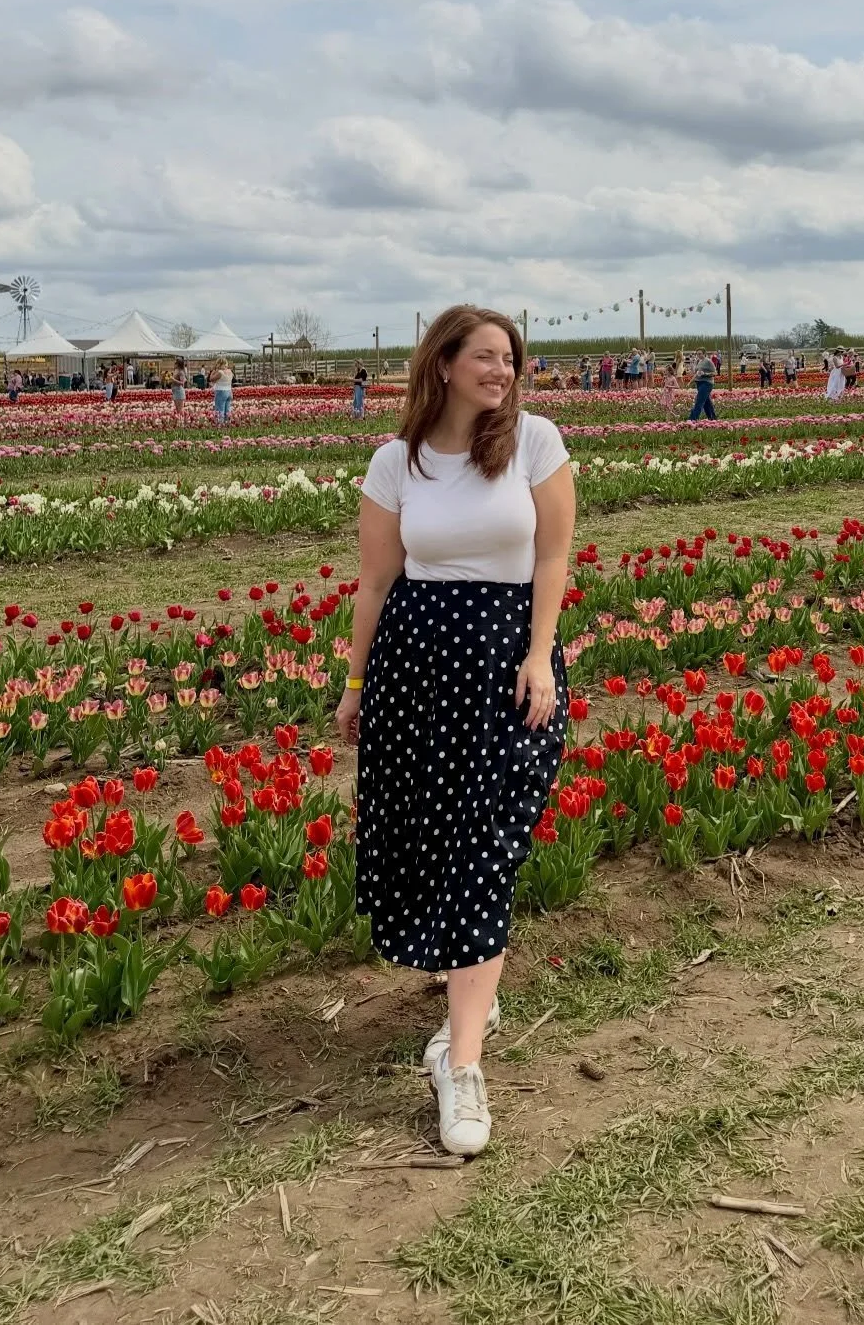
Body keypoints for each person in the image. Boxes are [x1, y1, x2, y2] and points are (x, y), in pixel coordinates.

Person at [338, 305, 573, 1158]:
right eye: (486, 357)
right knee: (434, 840)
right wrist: (356, 683)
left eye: (510, 359)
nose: (502, 371)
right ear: (442, 364)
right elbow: (374, 582)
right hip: (417, 669)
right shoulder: (395, 462)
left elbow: (552, 556)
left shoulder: (536, 443)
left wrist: (542, 655)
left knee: (487, 841)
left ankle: (461, 1063)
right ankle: (473, 992)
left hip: (506, 662)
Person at [690, 353, 717, 421]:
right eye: (697, 354)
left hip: (707, 383)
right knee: (706, 402)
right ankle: (712, 418)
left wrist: (705, 374)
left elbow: (715, 373)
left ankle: (692, 419)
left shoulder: (708, 361)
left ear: (704, 354)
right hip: (699, 383)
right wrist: (691, 381)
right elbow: (697, 373)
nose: (699, 355)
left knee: (699, 401)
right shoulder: (699, 362)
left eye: (700, 354)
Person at [209, 357, 234, 425]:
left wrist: (213, 371)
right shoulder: (230, 371)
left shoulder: (220, 372)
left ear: (219, 364)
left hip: (221, 391)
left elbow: (211, 379)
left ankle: (220, 424)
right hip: (229, 391)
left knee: (220, 410)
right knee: (227, 410)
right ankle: (227, 423)